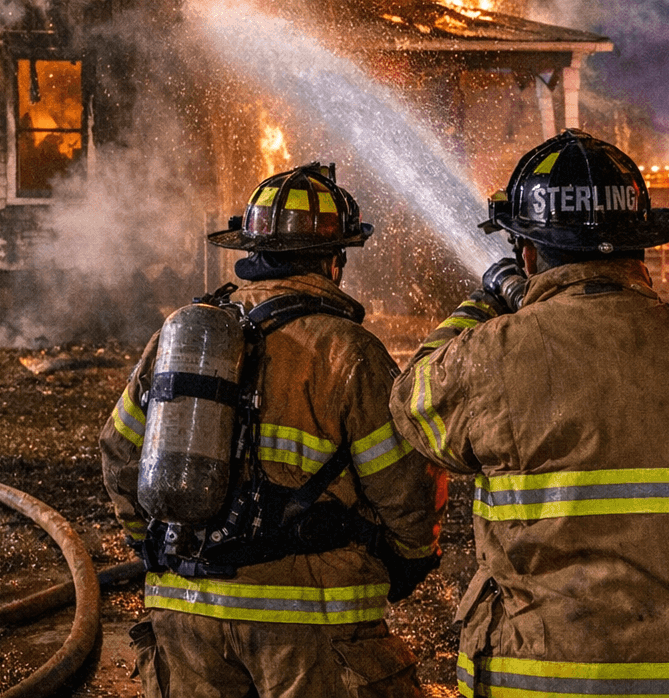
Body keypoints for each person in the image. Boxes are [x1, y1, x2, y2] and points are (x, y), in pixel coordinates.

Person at [390, 130, 669, 698]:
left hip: (551, 683)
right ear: (641, 247)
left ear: (528, 253)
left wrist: (483, 304)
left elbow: (412, 406)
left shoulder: (490, 354)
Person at [100, 162, 447, 698]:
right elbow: (406, 489)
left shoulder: (182, 337)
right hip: (310, 626)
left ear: (252, 253)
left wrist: (151, 543)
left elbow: (119, 450)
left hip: (184, 617)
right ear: (334, 262)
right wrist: (409, 558)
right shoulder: (348, 353)